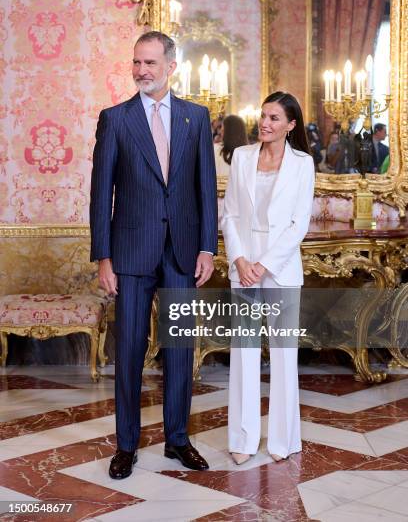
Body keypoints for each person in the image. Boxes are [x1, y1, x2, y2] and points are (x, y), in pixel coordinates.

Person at [90, 31, 218, 479]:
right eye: (136, 63)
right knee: (127, 348)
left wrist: (207, 246)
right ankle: (126, 445)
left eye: (150, 63)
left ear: (171, 66)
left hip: (183, 252)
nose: (141, 71)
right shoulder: (115, 119)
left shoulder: (196, 118)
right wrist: (104, 257)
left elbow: (205, 189)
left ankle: (178, 441)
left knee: (180, 347)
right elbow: (100, 193)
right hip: (130, 252)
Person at [221, 91, 315, 465]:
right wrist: (241, 260)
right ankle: (242, 441)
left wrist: (265, 264)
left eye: (275, 118)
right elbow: (229, 215)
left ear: (291, 125)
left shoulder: (302, 164)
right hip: (243, 264)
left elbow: (299, 223)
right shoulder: (241, 157)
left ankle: (283, 441)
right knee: (243, 354)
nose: (265, 123)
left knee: (283, 355)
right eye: (263, 116)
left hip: (281, 267)